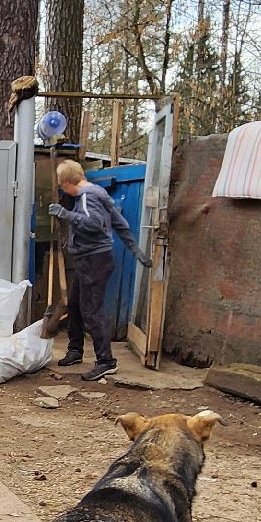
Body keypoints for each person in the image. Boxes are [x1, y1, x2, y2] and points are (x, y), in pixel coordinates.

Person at [48, 159, 152, 383]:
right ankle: (75, 350)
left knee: (91, 311)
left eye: (61, 185)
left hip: (94, 260)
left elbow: (93, 224)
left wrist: (65, 214)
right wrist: (136, 250)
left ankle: (106, 362)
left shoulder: (88, 197)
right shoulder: (99, 192)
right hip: (91, 259)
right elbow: (120, 222)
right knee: (75, 303)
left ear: (67, 183)